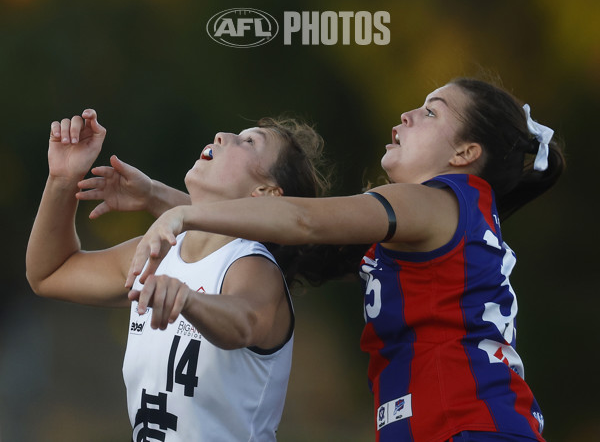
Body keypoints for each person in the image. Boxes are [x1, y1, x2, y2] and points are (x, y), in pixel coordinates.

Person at [122, 77, 565, 442]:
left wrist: (183, 214)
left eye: (431, 112)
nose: (407, 116)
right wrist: (165, 199)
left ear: (465, 154)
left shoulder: (438, 201)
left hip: (466, 426)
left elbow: (302, 222)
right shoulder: (437, 220)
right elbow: (295, 240)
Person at [26, 109, 331, 442]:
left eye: (248, 142)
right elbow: (50, 273)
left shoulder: (252, 265)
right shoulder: (160, 250)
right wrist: (62, 179)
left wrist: (189, 299)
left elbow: (244, 323)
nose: (222, 136)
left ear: (267, 192)